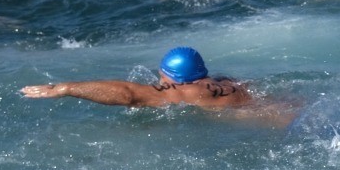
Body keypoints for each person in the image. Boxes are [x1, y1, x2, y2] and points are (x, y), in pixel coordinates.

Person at [20, 46, 262, 112]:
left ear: (174, 78)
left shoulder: (187, 92)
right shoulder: (226, 81)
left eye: (162, 75)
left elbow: (129, 95)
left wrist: (65, 88)